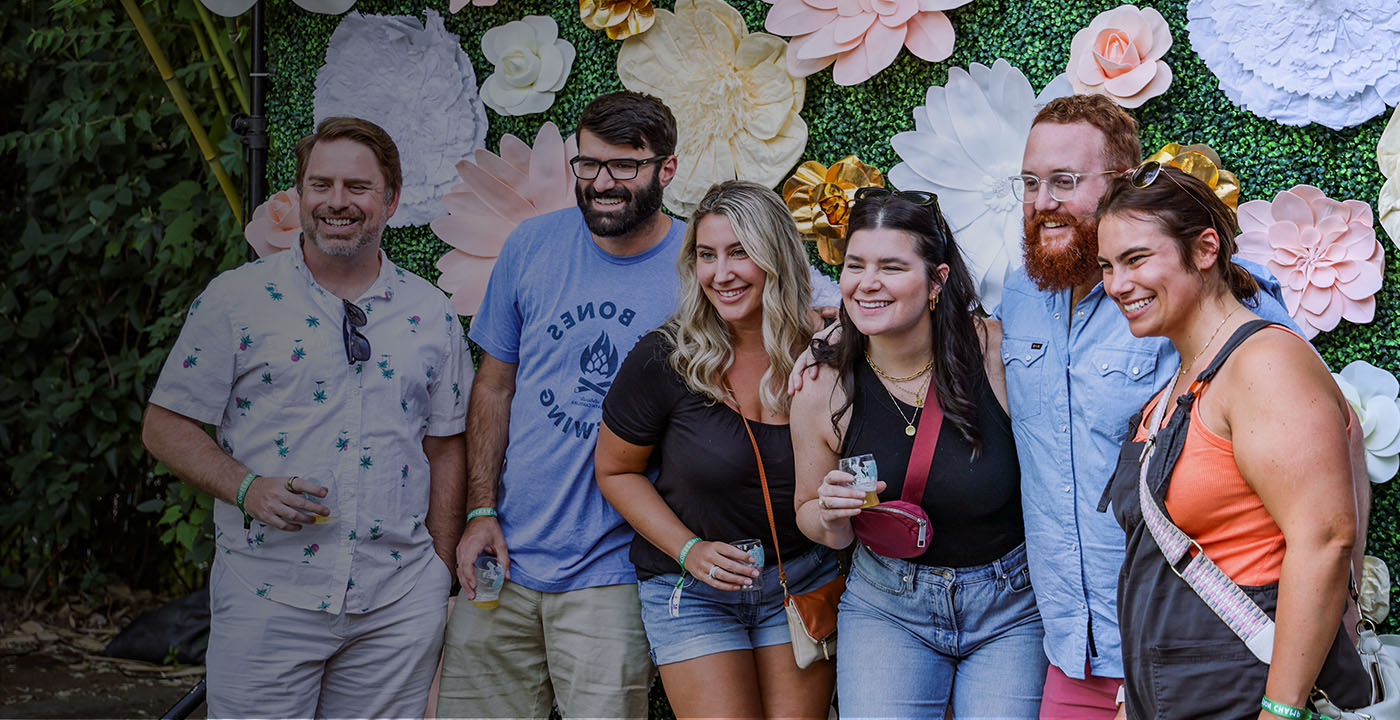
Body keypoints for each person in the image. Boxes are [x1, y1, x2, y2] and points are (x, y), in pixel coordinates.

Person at [995, 94, 1341, 719]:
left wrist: (1290, 694)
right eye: (1030, 182)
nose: (1043, 200)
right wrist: (843, 337)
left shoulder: (1226, 306)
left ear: (1121, 185)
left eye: (1065, 181)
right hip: (1079, 648)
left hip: (1217, 650)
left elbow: (1327, 503)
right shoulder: (1022, 291)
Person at [141, 117, 470, 718]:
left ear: (391, 200)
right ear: (299, 195)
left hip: (397, 602)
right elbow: (164, 424)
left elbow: (446, 445)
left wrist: (439, 572)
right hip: (269, 593)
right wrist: (247, 488)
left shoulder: (432, 313)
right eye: (320, 185)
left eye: (357, 186)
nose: (336, 202)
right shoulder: (235, 300)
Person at [434, 91, 684, 719]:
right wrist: (480, 510)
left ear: (666, 169)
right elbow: (494, 385)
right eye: (588, 164)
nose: (602, 183)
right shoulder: (532, 245)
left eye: (624, 167)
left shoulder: (696, 264)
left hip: (615, 571)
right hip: (505, 559)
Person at [1095, 165, 1370, 719]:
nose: (1117, 284)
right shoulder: (1185, 377)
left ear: (1204, 249)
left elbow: (1326, 541)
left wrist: (1282, 710)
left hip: (1246, 697)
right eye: (1107, 266)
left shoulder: (1265, 364)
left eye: (1136, 259)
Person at [791, 189, 1048, 718]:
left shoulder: (999, 355)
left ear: (937, 280)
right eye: (855, 265)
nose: (867, 282)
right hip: (887, 606)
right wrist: (831, 515)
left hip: (1010, 609)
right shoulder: (821, 384)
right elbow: (809, 516)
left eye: (891, 266)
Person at [595, 181, 837, 719]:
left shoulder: (827, 350)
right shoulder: (667, 357)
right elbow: (615, 471)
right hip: (693, 590)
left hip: (799, 582)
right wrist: (688, 549)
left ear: (775, 256)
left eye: (739, 252)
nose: (720, 274)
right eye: (707, 255)